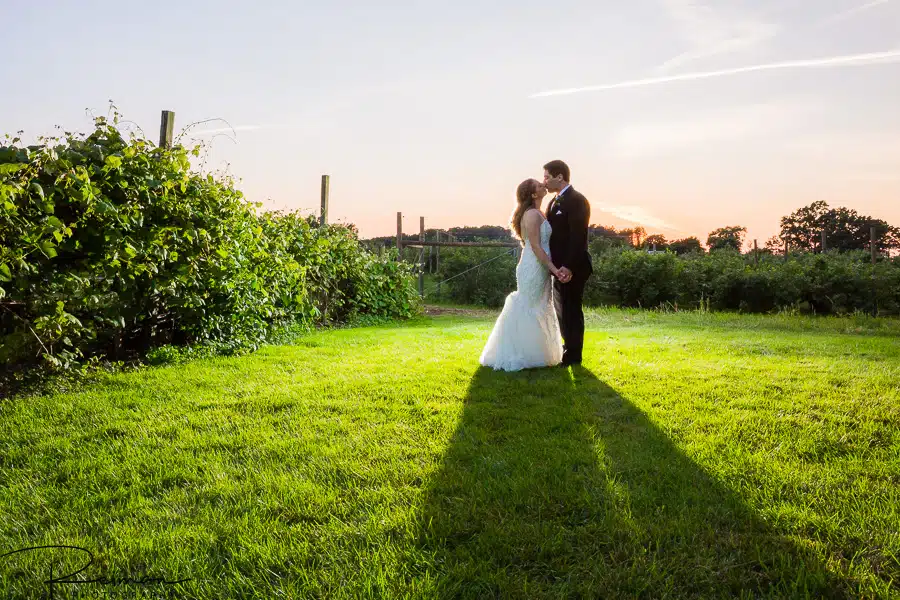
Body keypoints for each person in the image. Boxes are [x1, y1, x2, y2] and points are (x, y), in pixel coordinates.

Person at [479, 179, 564, 371]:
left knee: (540, 304)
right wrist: (553, 267)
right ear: (534, 194)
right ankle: (524, 353)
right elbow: (534, 246)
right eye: (539, 185)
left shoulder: (538, 212)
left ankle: (538, 352)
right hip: (534, 266)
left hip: (537, 264)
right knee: (530, 305)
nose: (544, 185)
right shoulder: (532, 215)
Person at [543, 160, 592, 366]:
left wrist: (569, 267)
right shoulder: (553, 202)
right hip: (558, 269)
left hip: (573, 268)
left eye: (547, 177)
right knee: (561, 310)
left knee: (572, 310)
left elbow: (578, 237)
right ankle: (566, 348)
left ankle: (574, 355)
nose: (544, 181)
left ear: (559, 176)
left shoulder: (577, 200)